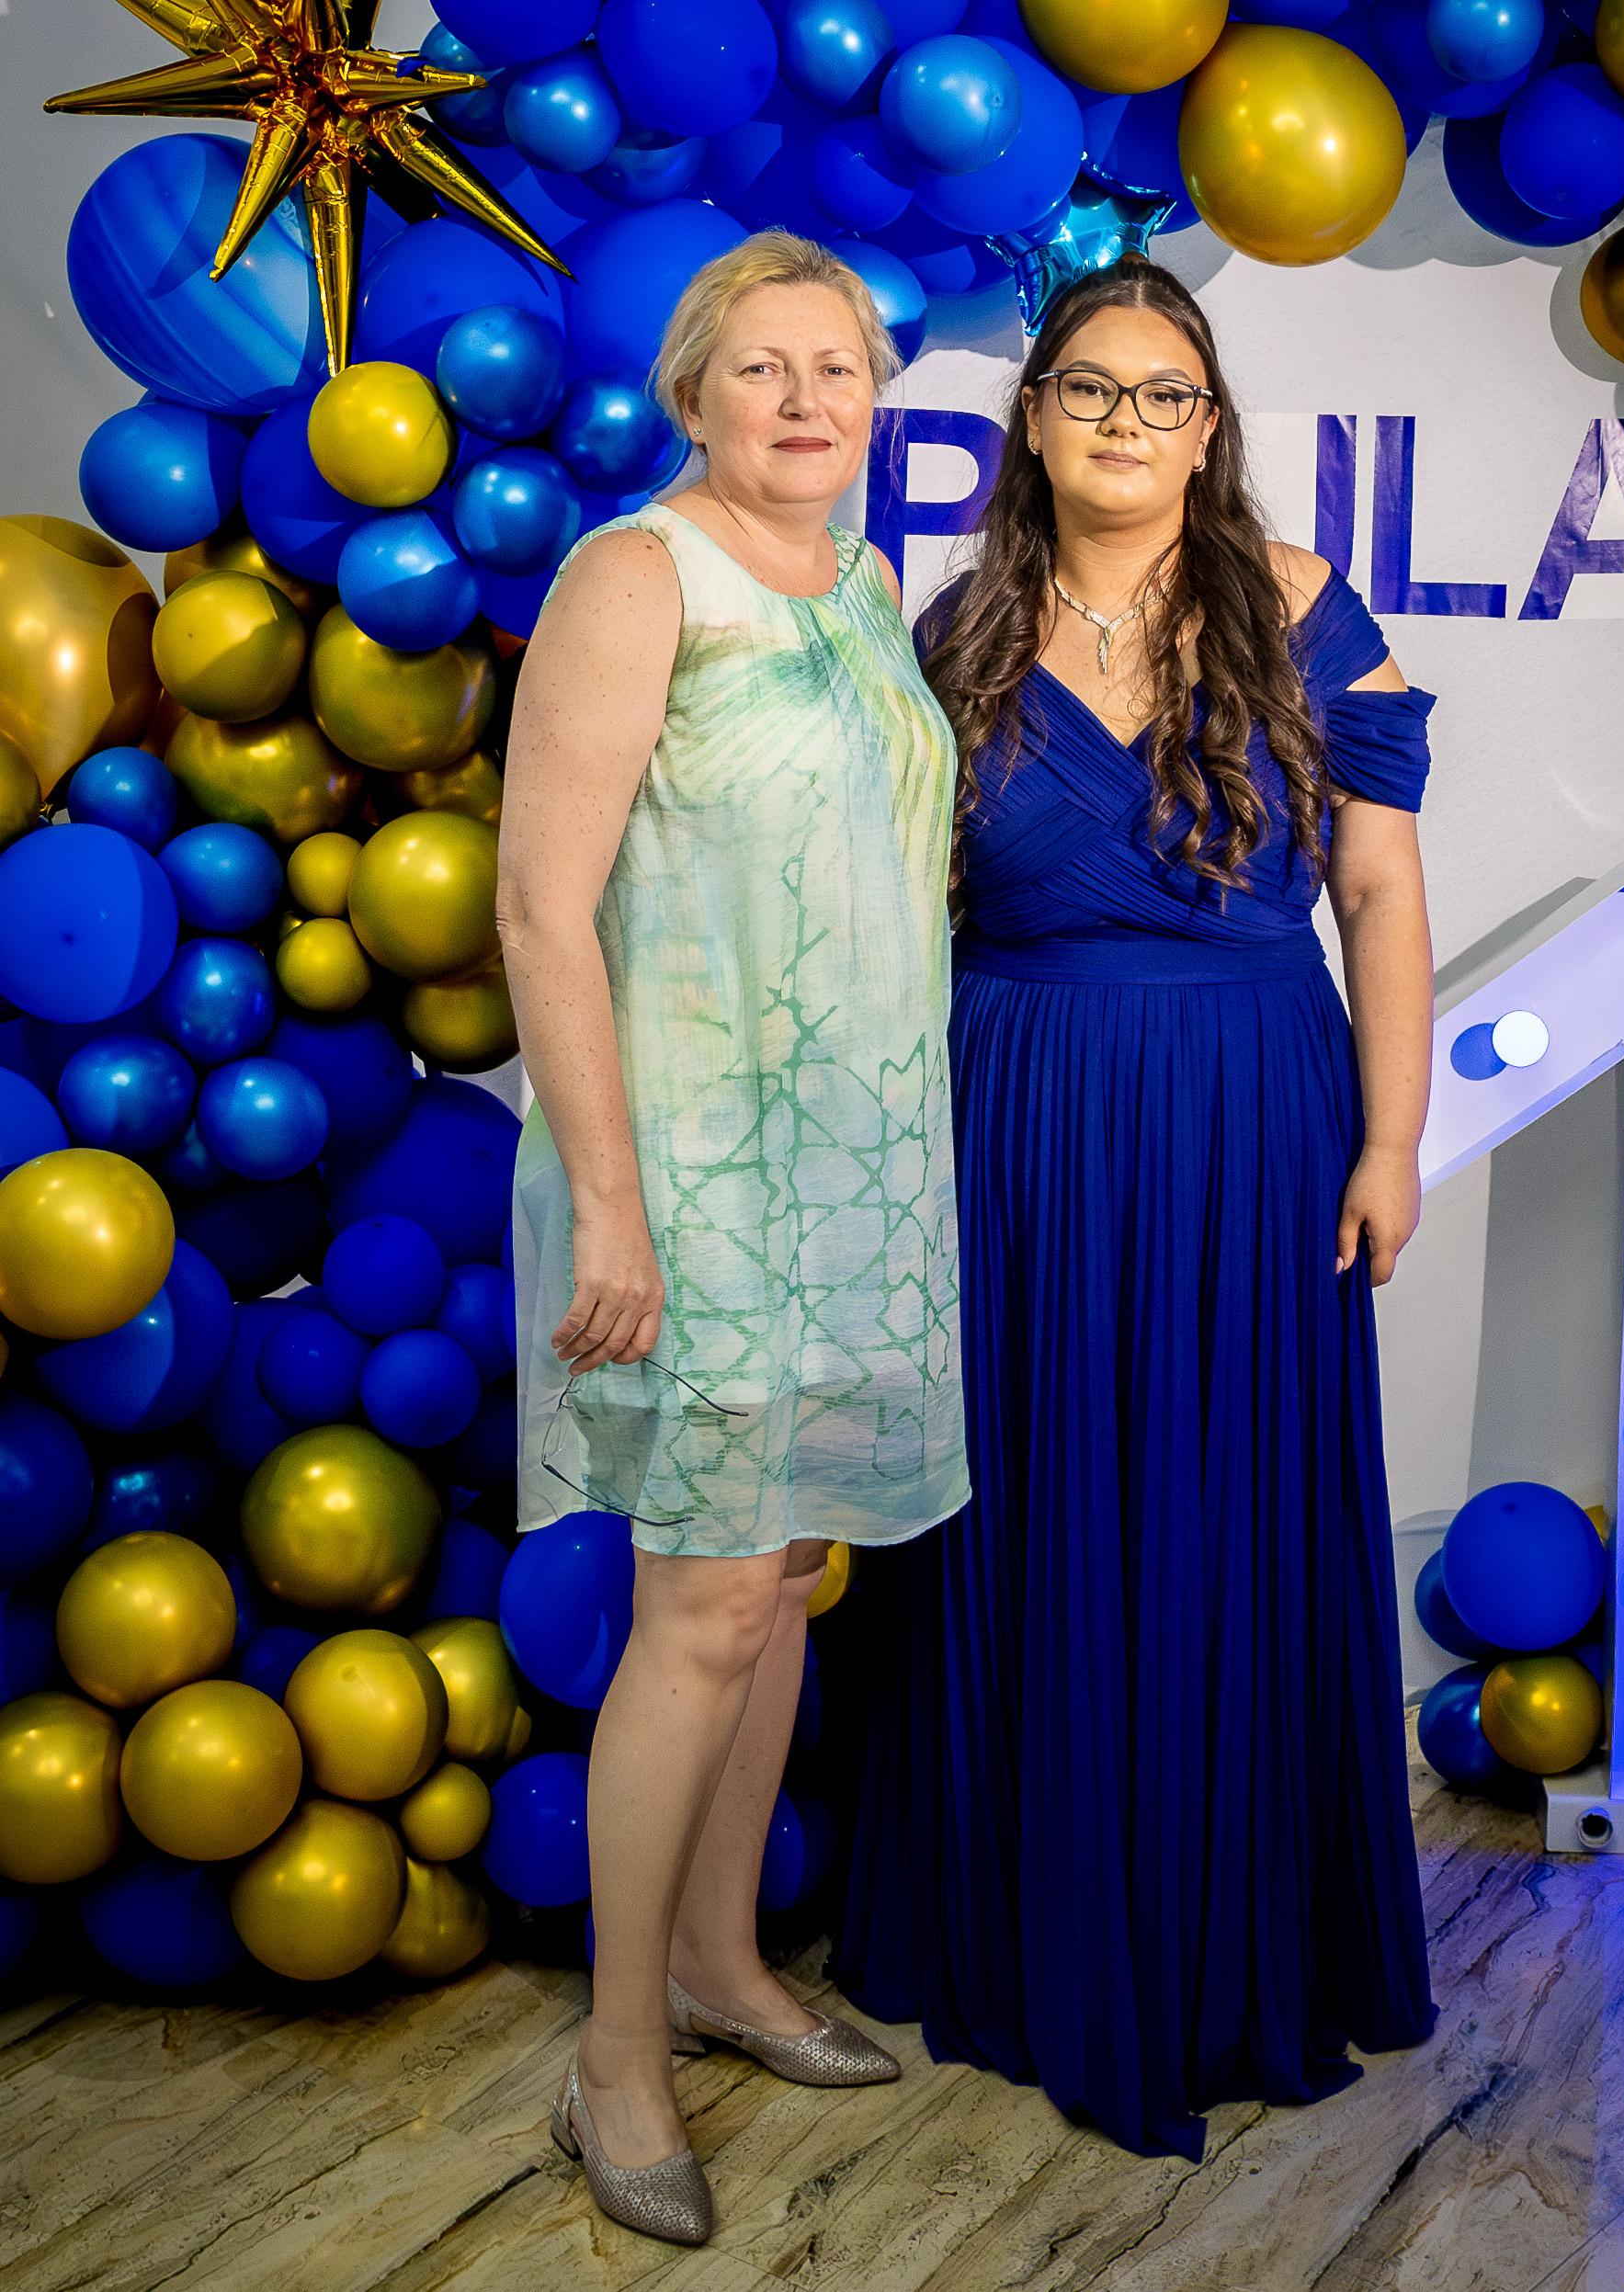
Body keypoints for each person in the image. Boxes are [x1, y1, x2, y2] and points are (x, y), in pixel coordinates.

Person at [838, 255, 1437, 2163]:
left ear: (1208, 426)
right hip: (1013, 1117)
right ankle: (1027, 1922)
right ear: (1031, 420)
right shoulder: (955, 633)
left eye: (1163, 391)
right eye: (1089, 387)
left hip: (1255, 1112)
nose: (1124, 419)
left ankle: (1216, 1934)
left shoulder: (1302, 607)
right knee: (1026, 1504)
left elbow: (1379, 895)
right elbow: (893, 915)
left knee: (1221, 1504)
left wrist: (1393, 1137)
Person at [498, 232, 969, 2247]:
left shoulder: (859, 584)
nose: (805, 400)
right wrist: (612, 1203)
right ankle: (615, 2054)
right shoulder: (637, 576)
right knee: (697, 1606)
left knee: (776, 1580)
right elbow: (542, 907)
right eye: (761, 367)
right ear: (692, 395)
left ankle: (719, 1966)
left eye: (836, 368)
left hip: (849, 1167)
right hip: (687, 1173)